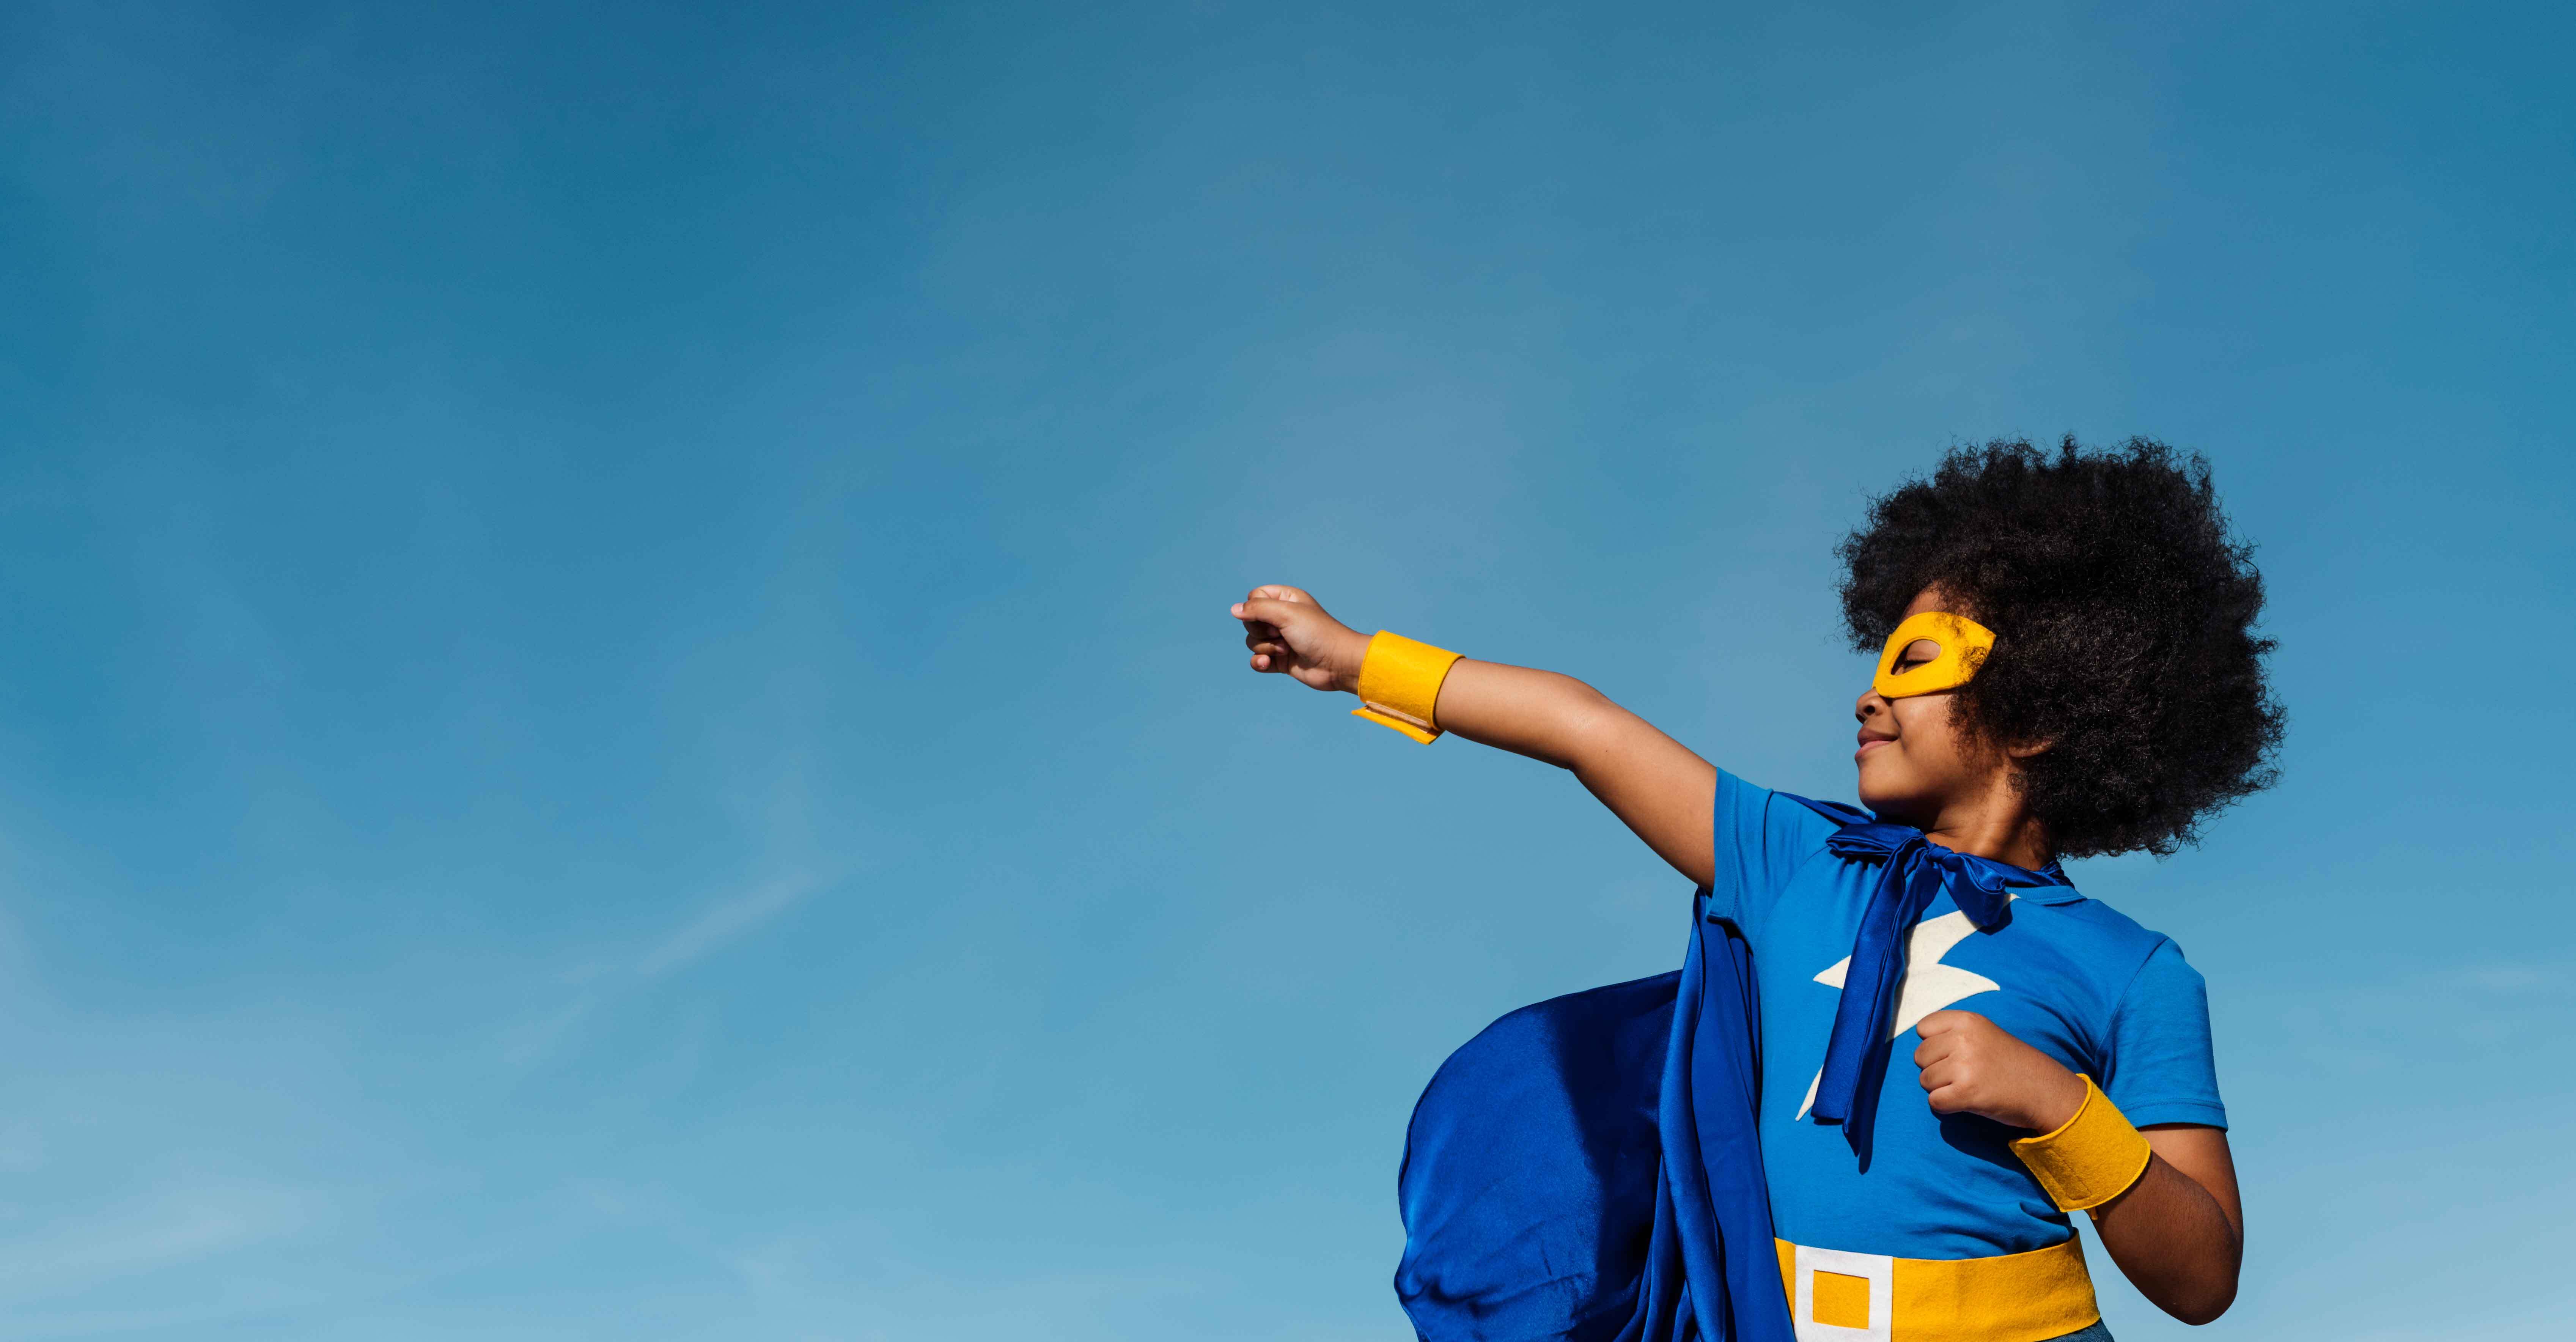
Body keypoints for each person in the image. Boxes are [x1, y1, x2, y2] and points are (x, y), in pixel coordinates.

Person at [1230, 439, 2278, 1342]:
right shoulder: (1789, 858)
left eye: (1916, 661)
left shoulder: (2133, 972)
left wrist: (2062, 1107)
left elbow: (2202, 1277)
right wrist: (1362, 657)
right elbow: (1580, 725)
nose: (1869, 692)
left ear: (2044, 707)